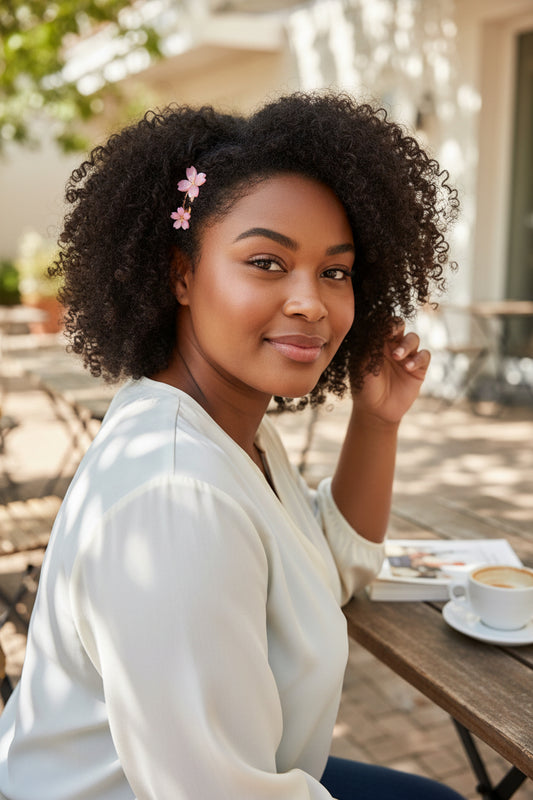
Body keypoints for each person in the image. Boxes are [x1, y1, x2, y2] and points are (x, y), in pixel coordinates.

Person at [0, 92, 464, 800]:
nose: (311, 301)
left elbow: (325, 570)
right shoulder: (174, 498)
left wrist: (377, 422)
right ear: (181, 275)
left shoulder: (228, 429)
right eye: (267, 263)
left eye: (335, 271)